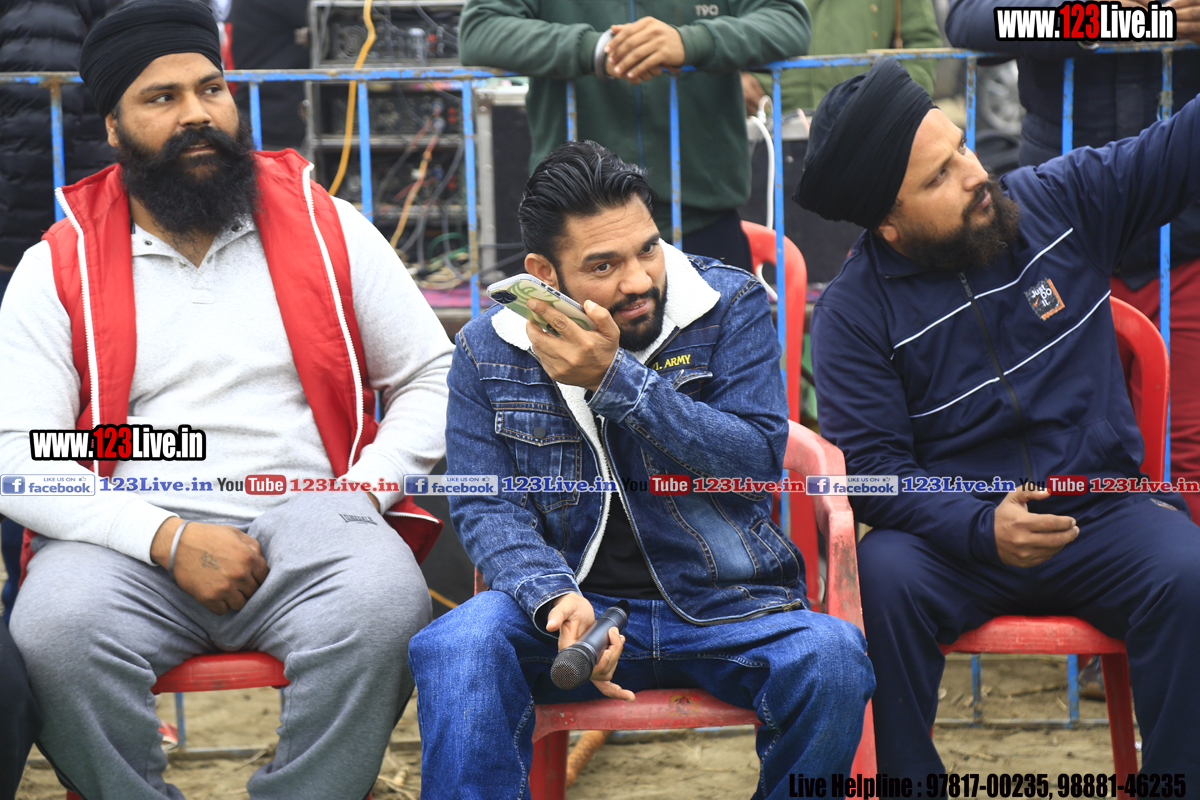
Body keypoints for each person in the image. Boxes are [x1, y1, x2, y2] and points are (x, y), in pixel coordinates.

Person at [0, 2, 454, 798]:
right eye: (162, 98)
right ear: (113, 128)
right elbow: (18, 455)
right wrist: (166, 536)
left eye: (210, 90)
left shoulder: (327, 228)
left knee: (386, 605)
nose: (196, 115)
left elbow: (433, 375)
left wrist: (361, 494)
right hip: (128, 535)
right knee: (53, 631)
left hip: (313, 519)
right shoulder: (58, 265)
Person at [408, 140, 875, 799]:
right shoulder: (487, 350)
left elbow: (753, 463)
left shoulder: (727, 304)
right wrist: (552, 596)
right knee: (456, 645)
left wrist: (615, 381)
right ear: (543, 273)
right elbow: (487, 505)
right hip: (568, 612)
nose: (637, 280)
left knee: (832, 660)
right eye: (603, 265)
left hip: (727, 606)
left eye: (647, 249)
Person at [799, 58, 1200, 775]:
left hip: (1101, 512)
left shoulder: (1058, 200)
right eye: (939, 177)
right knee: (880, 579)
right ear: (889, 225)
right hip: (954, 542)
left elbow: (1179, 148)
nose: (974, 174)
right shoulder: (852, 314)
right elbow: (876, 475)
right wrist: (981, 527)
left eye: (961, 146)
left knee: (1189, 571)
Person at [458, 0, 810, 272]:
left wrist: (692, 42)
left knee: (721, 343)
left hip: (702, 214)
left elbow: (788, 21)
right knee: (582, 347)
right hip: (577, 219)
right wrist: (594, 49)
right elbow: (480, 29)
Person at [742, 0, 941, 117]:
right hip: (765, 122)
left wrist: (898, 104)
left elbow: (921, 44)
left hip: (864, 128)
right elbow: (723, 26)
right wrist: (733, 81)